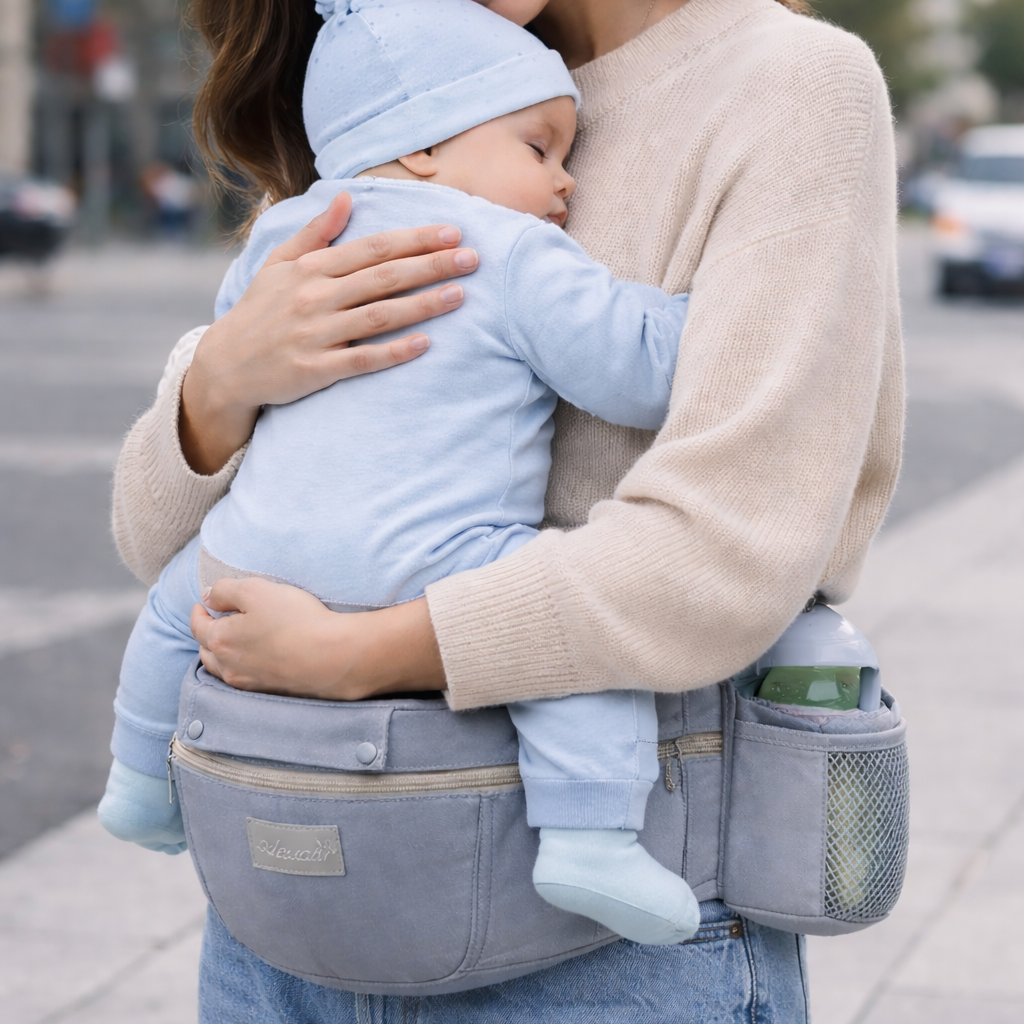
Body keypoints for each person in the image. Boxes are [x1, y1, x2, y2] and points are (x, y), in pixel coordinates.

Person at [112, 0, 904, 1018]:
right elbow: (157, 542)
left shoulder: (784, 87)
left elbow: (726, 552)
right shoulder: (408, 78)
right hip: (286, 918)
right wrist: (219, 382)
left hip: (595, 947)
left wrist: (358, 654)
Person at [100, 0, 701, 946]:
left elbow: (156, 544)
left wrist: (223, 365)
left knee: (179, 604)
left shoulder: (287, 234)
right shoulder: (507, 248)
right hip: (432, 556)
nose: (565, 183)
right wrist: (696, 313)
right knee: (568, 638)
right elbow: (632, 371)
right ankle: (589, 835)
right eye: (539, 148)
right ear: (423, 147)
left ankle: (139, 776)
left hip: (254, 555)